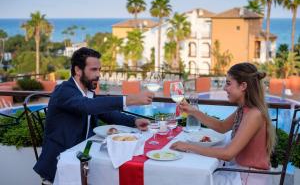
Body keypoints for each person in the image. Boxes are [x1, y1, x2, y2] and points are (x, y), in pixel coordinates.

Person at [34, 47, 154, 184]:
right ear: (78, 70)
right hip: (61, 162)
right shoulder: (64, 91)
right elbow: (88, 107)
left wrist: (135, 121)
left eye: (99, 70)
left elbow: (107, 114)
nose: (98, 75)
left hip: (84, 156)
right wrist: (129, 99)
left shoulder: (88, 91)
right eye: (93, 70)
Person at [170, 62, 276, 184]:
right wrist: (193, 111)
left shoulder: (254, 114)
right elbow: (222, 127)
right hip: (240, 170)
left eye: (228, 83)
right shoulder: (244, 109)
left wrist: (188, 146)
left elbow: (228, 154)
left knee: (191, 179)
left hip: (249, 177)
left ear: (243, 86)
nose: (224, 88)